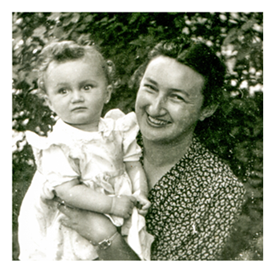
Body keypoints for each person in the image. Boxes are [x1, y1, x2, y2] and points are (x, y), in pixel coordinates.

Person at [54, 38, 246, 260]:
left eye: (176, 97)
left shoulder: (220, 190)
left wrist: (105, 236)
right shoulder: (105, 139)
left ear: (207, 108)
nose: (155, 108)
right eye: (150, 88)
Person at [18, 41, 153, 261]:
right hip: (77, 223)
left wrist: (139, 192)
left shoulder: (117, 128)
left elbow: (132, 164)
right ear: (49, 102)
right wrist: (112, 204)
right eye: (63, 91)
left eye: (87, 87)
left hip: (118, 213)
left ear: (107, 93)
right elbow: (67, 190)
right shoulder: (58, 145)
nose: (76, 97)